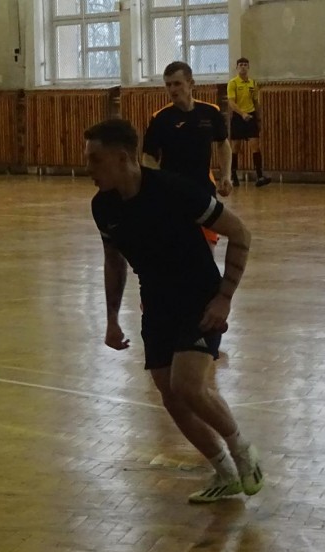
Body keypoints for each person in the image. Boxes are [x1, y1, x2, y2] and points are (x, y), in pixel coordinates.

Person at [84, 118, 264, 503]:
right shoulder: (103, 207)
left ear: (122, 158)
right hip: (156, 304)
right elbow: (114, 261)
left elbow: (240, 233)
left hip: (199, 298)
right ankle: (224, 472)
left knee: (188, 385)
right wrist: (112, 319)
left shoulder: (173, 190)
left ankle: (243, 452)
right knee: (171, 396)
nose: (89, 169)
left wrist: (224, 298)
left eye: (95, 160)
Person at [142, 61, 232, 253]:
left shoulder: (210, 112)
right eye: (168, 85)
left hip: (203, 190)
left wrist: (226, 175)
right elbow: (148, 156)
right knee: (176, 248)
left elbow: (223, 143)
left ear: (191, 84)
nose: (172, 89)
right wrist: (157, 183)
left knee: (207, 248)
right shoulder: (161, 118)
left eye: (177, 84)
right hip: (172, 193)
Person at [227, 58, 272, 188]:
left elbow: (256, 102)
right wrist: (242, 114)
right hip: (238, 117)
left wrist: (259, 118)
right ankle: (233, 176)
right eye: (240, 65)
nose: (243, 67)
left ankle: (259, 176)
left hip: (251, 116)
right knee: (235, 147)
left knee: (255, 146)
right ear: (237, 67)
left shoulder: (253, 83)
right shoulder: (233, 83)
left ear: (248, 67)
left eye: (245, 65)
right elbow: (231, 102)